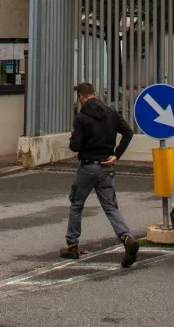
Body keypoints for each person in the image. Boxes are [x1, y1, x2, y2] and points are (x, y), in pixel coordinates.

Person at [61, 81, 139, 264]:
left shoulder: (81, 117)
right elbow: (128, 132)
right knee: (111, 207)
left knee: (77, 203)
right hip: (107, 166)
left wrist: (73, 139)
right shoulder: (111, 112)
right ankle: (127, 238)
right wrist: (116, 155)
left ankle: (72, 246)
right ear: (95, 93)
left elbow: (75, 146)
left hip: (87, 167)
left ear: (81, 97)